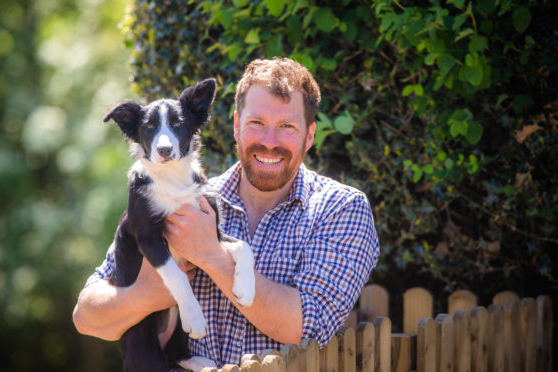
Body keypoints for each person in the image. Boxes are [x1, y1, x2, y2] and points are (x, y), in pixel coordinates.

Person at [72, 57, 380, 367]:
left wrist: (212, 255)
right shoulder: (182, 196)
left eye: (287, 126)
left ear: (309, 135)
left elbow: (307, 328)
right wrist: (152, 293)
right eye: (256, 123)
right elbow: (86, 317)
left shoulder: (342, 209)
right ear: (236, 126)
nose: (269, 142)